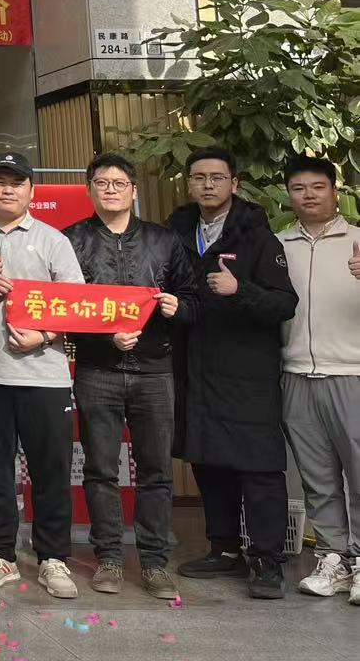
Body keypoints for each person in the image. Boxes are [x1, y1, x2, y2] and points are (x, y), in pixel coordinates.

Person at [61, 152, 197, 599]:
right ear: (89, 190)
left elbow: (193, 297)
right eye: (102, 183)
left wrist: (178, 307)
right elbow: (63, 307)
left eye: (119, 183)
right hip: (97, 370)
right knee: (100, 469)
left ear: (134, 191)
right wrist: (106, 338)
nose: (111, 190)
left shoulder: (164, 239)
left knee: (156, 470)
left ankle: (155, 562)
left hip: (155, 371)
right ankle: (109, 559)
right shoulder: (72, 240)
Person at [165, 146, 297, 598]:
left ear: (234, 184)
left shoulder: (258, 238)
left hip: (247, 372)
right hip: (194, 368)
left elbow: (284, 303)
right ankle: (223, 548)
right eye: (199, 177)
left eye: (217, 177)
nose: (208, 185)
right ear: (188, 184)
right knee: (209, 460)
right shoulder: (177, 233)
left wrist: (240, 290)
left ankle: (267, 560)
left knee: (259, 467)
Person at [0, 152, 84, 600]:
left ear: (31, 190)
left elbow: (76, 305)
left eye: (17, 183)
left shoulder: (53, 240)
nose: (7, 190)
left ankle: (53, 558)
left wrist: (43, 335)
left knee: (51, 471)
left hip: (45, 376)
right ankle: (0, 555)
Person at [277, 157, 360, 603]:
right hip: (296, 375)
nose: (308, 195)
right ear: (288, 195)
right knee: (318, 478)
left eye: (317, 186)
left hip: (352, 373)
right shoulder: (276, 245)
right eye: (298, 188)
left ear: (335, 191)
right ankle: (333, 558)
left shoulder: (357, 239)